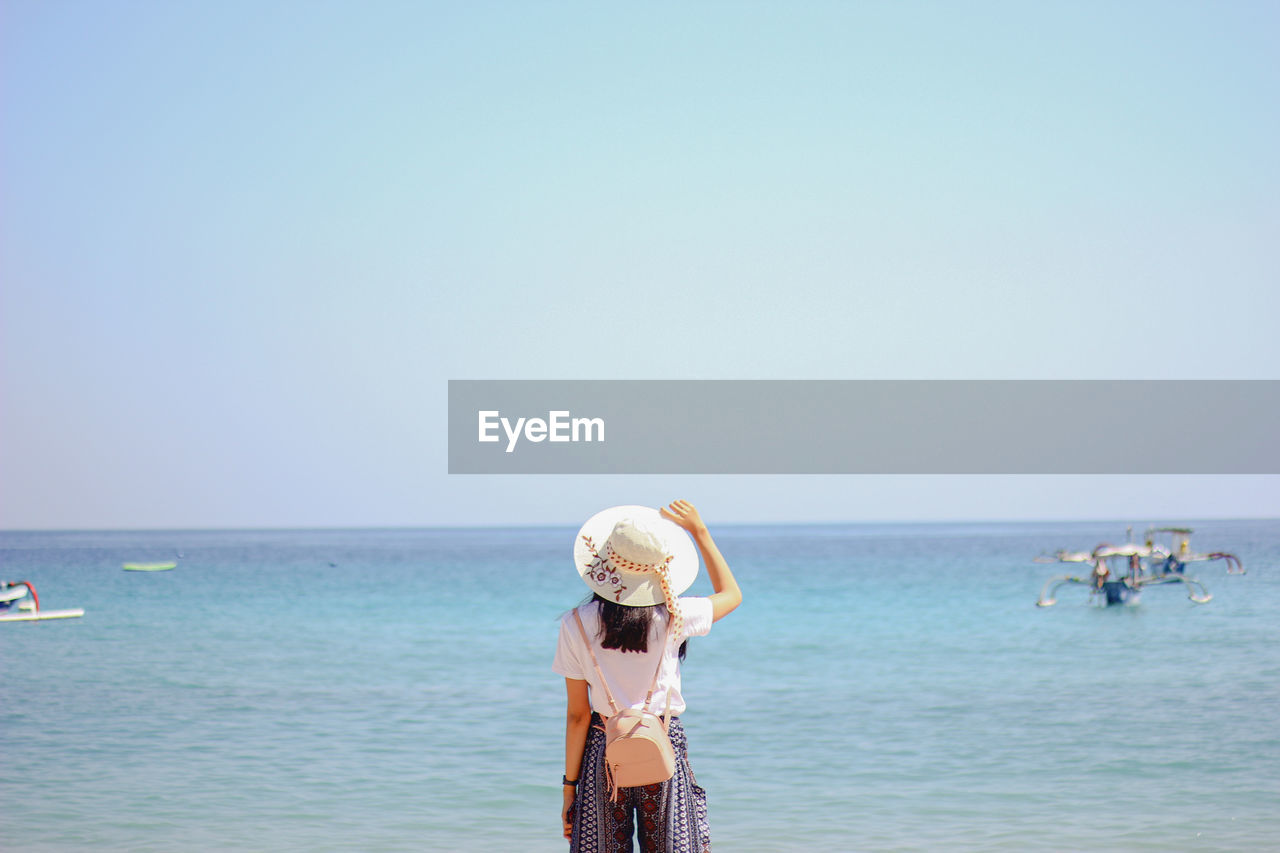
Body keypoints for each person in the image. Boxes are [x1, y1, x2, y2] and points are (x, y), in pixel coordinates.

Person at [553, 500, 742, 852]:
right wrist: (699, 531)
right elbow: (732, 594)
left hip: (603, 748)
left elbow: (578, 715)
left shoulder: (575, 623)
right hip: (663, 740)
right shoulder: (675, 614)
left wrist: (569, 788)